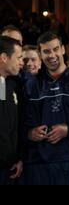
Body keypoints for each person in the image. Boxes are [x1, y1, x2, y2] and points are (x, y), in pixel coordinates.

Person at [22, 31, 69, 185]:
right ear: (40, 54)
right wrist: (29, 133)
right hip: (39, 164)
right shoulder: (30, 86)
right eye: (46, 51)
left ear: (63, 49)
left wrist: (68, 129)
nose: (52, 55)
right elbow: (19, 121)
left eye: (55, 49)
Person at [0, 36, 24, 185]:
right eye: (18, 57)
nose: (21, 62)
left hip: (9, 169)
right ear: (4, 57)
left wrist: (18, 157)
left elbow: (8, 124)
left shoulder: (9, 85)